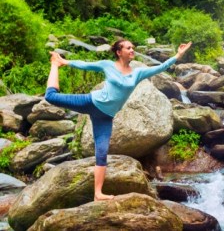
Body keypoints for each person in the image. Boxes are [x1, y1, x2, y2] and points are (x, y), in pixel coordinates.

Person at [45, 40, 192, 201]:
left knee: (101, 153)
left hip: (105, 117)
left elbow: (160, 68)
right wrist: (64, 62)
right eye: (128, 48)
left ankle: (97, 194)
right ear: (119, 52)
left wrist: (178, 55)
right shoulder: (107, 65)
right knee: (51, 97)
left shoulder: (137, 73)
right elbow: (85, 64)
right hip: (90, 102)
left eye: (132, 47)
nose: (132, 49)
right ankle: (54, 64)